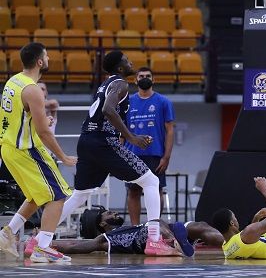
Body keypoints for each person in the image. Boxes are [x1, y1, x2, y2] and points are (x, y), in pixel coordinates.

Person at [55, 51, 176, 256]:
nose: (131, 63)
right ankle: (154, 240)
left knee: (79, 195)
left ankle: (40, 238)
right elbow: (108, 110)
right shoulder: (120, 83)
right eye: (127, 61)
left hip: (86, 140)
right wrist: (131, 138)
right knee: (152, 182)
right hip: (103, 141)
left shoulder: (105, 84)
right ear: (120, 68)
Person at [0, 42, 77, 262]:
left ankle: (7, 234)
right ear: (40, 62)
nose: (50, 58)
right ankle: (42, 248)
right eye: (47, 55)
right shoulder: (33, 90)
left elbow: (21, 117)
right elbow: (44, 133)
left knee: (36, 195)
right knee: (58, 196)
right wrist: (63, 157)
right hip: (27, 149)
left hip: (8, 149)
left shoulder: (13, 81)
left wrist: (41, 119)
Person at [32, 207, 224, 257]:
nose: (114, 213)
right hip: (149, 236)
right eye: (109, 214)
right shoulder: (105, 239)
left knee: (201, 226)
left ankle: (231, 244)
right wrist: (44, 244)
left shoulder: (122, 230)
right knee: (157, 223)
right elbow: (76, 246)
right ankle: (174, 243)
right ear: (102, 223)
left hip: (164, 231)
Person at [125, 67, 176, 225]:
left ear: (153, 80)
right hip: (132, 154)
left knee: (156, 190)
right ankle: (135, 228)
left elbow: (170, 131)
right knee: (133, 191)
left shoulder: (163, 102)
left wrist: (166, 157)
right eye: (141, 76)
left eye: (148, 76)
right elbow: (121, 131)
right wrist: (120, 154)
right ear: (135, 80)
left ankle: (154, 226)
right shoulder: (128, 102)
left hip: (155, 155)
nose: (144, 78)